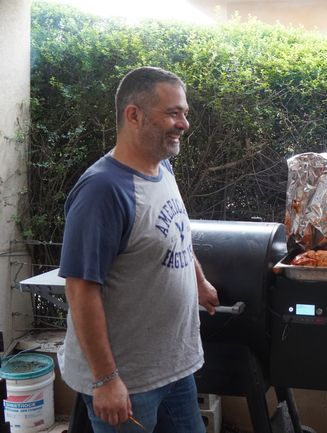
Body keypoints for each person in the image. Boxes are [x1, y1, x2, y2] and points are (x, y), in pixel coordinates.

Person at [58, 66, 220, 433]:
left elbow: (176, 233)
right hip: (127, 382)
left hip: (173, 368)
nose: (184, 124)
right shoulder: (102, 191)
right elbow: (80, 290)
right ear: (134, 115)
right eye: (173, 113)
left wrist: (199, 281)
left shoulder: (163, 169)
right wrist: (105, 379)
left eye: (185, 113)